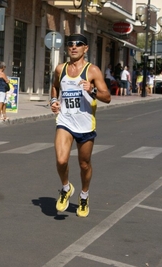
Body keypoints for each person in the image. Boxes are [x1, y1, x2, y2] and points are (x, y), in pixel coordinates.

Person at [50, 33, 111, 217]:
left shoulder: (92, 71)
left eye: (78, 44)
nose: (74, 47)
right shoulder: (61, 69)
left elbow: (107, 97)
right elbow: (55, 86)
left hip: (85, 125)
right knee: (61, 160)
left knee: (84, 164)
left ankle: (84, 195)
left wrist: (92, 91)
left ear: (86, 48)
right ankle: (66, 187)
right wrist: (54, 100)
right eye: (70, 44)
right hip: (65, 121)